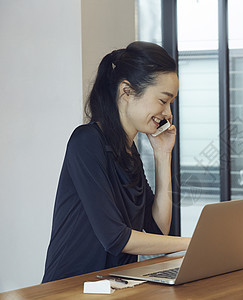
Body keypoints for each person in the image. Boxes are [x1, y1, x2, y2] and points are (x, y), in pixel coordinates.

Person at [42, 41, 190, 283]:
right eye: (163, 100)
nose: (168, 113)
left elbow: (157, 229)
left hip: (115, 284)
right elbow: (115, 238)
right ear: (127, 91)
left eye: (171, 103)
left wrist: (163, 156)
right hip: (71, 288)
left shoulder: (128, 152)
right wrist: (194, 243)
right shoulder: (86, 142)